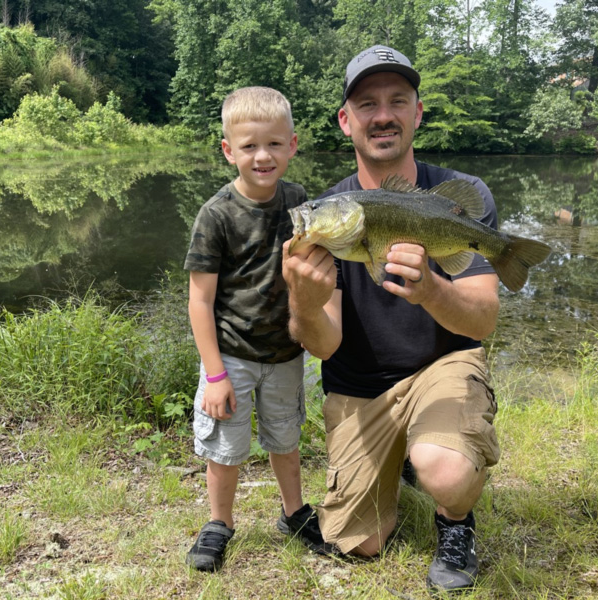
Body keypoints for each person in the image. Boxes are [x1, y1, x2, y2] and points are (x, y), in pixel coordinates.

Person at [282, 46, 501, 593]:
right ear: (346, 120)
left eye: (397, 101)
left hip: (442, 365)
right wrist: (305, 303)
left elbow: (481, 322)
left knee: (445, 472)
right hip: (360, 385)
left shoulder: (463, 195)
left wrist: (430, 290)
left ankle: (455, 521)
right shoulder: (330, 213)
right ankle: (399, 455)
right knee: (357, 544)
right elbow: (325, 346)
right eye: (367, 104)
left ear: (417, 112)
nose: (383, 115)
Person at [184, 86, 333, 573]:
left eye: (273, 144)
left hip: (286, 352)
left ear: (293, 144)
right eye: (249, 146)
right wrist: (213, 374)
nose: (262, 156)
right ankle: (219, 523)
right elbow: (200, 300)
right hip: (231, 355)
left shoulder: (299, 202)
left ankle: (293, 513)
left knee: (285, 440)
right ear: (229, 151)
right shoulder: (216, 214)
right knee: (225, 450)